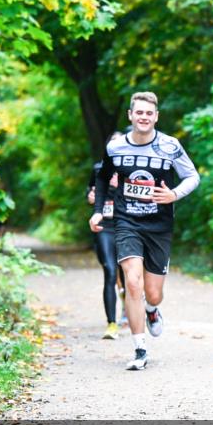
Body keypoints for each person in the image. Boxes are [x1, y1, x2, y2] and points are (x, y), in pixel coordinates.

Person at [89, 92, 200, 370]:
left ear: (156, 117)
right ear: (130, 115)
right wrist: (98, 210)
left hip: (159, 226)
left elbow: (193, 177)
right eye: (139, 112)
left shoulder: (170, 146)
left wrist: (173, 194)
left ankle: (152, 311)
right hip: (127, 223)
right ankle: (140, 349)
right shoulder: (116, 147)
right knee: (133, 283)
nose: (144, 117)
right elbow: (102, 179)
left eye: (149, 113)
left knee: (153, 294)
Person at [87, 144, 127, 340]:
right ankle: (111, 323)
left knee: (129, 274)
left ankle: (131, 310)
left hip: (128, 226)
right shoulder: (98, 169)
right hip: (105, 228)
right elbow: (91, 192)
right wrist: (92, 197)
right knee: (110, 271)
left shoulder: (131, 168)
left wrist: (121, 184)